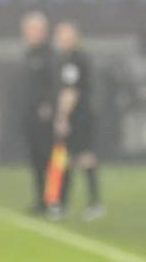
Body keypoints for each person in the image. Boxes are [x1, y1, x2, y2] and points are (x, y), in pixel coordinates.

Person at [51, 21, 104, 220]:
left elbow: (70, 91)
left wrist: (62, 118)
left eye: (65, 35)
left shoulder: (74, 60)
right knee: (70, 160)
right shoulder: (69, 58)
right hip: (81, 115)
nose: (61, 39)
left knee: (83, 158)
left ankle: (92, 203)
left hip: (79, 117)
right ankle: (64, 203)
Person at [18, 11, 55, 215]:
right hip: (29, 115)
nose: (29, 34)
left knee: (49, 158)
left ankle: (53, 199)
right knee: (35, 159)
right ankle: (41, 198)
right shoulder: (28, 54)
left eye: (32, 29)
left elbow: (54, 84)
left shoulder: (50, 55)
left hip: (45, 116)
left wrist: (48, 105)